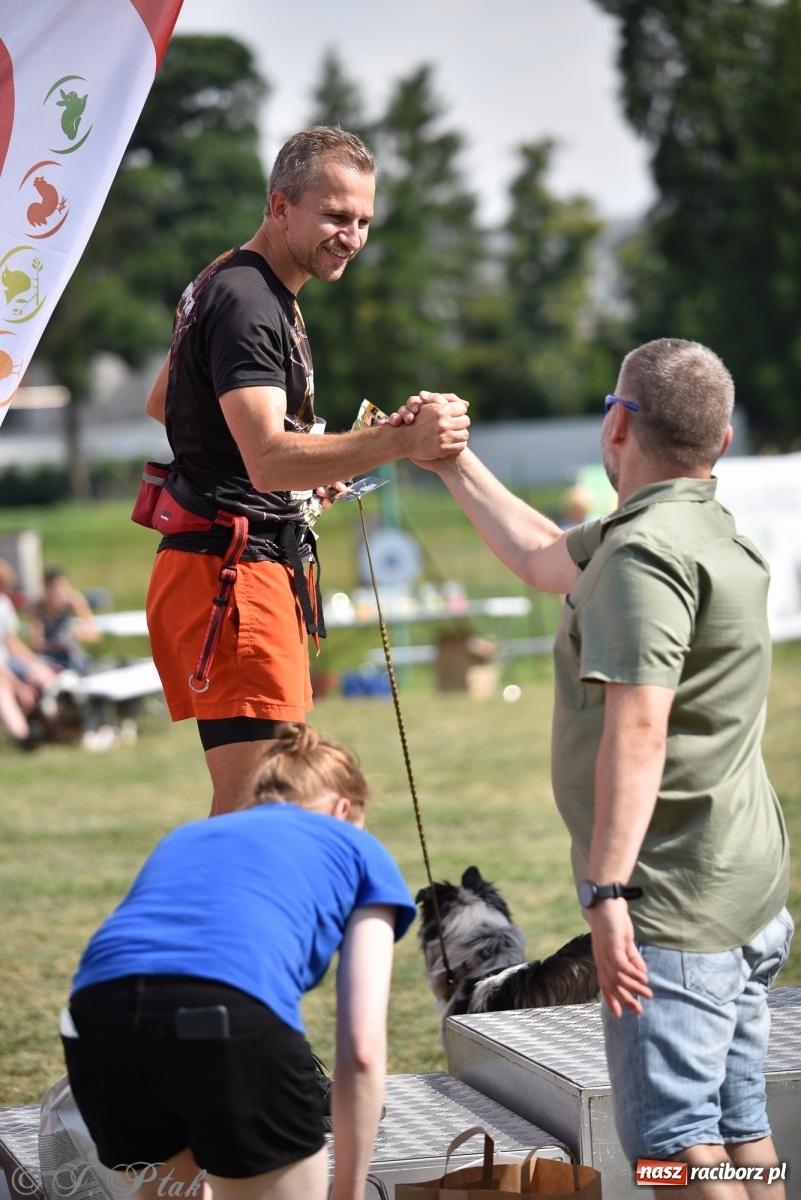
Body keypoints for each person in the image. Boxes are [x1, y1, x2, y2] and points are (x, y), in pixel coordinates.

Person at [405, 339, 792, 1198]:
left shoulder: (642, 558)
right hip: (738, 885)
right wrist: (453, 462)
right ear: (720, 442)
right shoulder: (687, 525)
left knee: (673, 1151)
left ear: (616, 424)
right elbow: (545, 555)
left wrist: (610, 895)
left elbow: (639, 728)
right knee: (739, 1128)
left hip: (674, 902)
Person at [143, 125, 469, 817]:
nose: (350, 236)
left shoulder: (231, 281)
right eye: (334, 215)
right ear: (280, 206)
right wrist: (395, 443)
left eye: (363, 222)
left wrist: (315, 464)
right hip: (232, 577)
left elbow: (165, 402)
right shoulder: (249, 301)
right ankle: (215, 930)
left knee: (265, 805)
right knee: (259, 811)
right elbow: (265, 458)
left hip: (233, 571)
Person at [62, 722, 416, 1200]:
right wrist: (348, 1192)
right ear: (342, 808)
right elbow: (362, 1048)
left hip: (97, 1024)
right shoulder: (356, 846)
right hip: (229, 1019)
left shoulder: (188, 838)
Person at [0, 558, 59, 748]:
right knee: (3, 689)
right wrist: (19, 687)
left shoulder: (4, 604)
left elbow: (12, 644)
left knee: (44, 675)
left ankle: (55, 725)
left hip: (8, 659)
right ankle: (24, 736)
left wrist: (39, 662)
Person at [28, 564, 101, 674]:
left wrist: (79, 633)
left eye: (62, 587)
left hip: (71, 655)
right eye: (54, 588)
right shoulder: (38, 608)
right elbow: (36, 644)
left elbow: (95, 634)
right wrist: (54, 646)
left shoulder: (74, 600)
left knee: (82, 664)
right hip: (48, 657)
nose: (59, 592)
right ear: (46, 588)